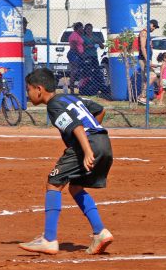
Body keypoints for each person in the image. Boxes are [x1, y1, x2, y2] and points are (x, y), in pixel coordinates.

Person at [19, 68, 114, 256]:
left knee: (53, 183)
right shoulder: (70, 98)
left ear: (39, 89)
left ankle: (49, 239)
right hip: (103, 142)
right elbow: (99, 110)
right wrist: (93, 133)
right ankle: (100, 232)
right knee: (75, 187)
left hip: (88, 145)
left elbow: (76, 126)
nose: (28, 94)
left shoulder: (53, 105)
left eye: (28, 89)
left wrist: (87, 149)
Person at [136, 19, 160, 104]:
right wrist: (147, 60)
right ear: (150, 24)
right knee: (152, 76)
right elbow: (142, 47)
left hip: (147, 59)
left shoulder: (148, 34)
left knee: (145, 79)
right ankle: (142, 97)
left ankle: (141, 98)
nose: (154, 29)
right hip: (144, 59)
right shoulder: (144, 33)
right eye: (154, 26)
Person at [66, 22, 85, 91]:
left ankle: (80, 87)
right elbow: (74, 46)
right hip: (74, 54)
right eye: (81, 27)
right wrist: (79, 55)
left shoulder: (78, 35)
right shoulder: (74, 35)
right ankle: (72, 89)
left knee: (77, 70)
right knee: (74, 71)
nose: (82, 29)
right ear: (78, 28)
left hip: (77, 54)